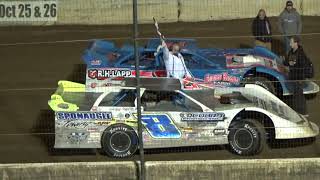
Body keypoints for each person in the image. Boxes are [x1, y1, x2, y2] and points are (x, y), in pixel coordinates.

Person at [284, 36, 308, 115]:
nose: (290, 44)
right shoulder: (291, 51)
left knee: (299, 96)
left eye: (291, 42)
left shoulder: (300, 53)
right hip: (293, 77)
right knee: (295, 95)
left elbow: (302, 66)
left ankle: (303, 113)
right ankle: (297, 112)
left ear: (296, 43)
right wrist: (286, 62)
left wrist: (294, 64)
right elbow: (287, 62)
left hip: (298, 78)